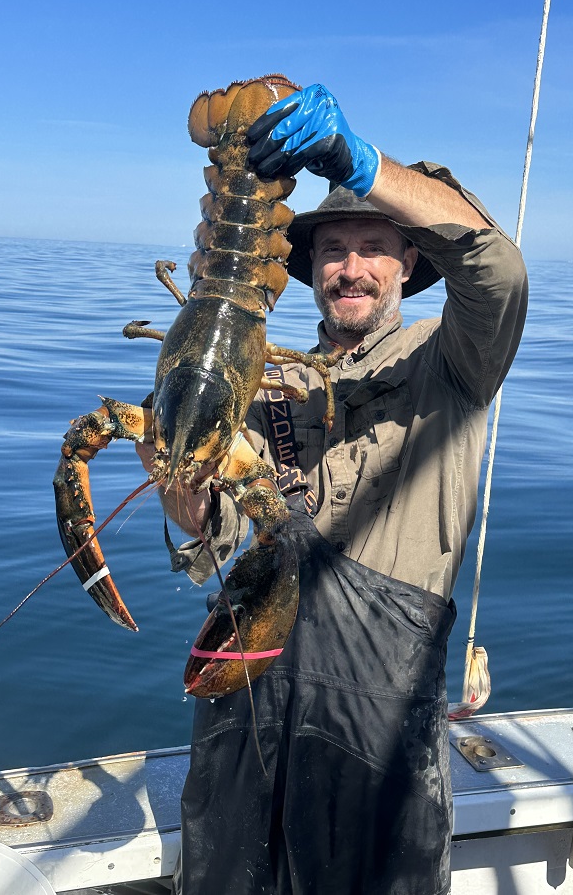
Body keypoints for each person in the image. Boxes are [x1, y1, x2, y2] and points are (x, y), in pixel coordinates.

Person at [141, 83, 528, 895]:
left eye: (371, 246)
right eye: (332, 250)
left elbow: (495, 268)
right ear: (307, 265)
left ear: (408, 261)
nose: (350, 268)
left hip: (378, 700)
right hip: (248, 685)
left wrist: (362, 164)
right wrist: (185, 499)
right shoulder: (262, 372)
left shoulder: (450, 359)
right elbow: (213, 538)